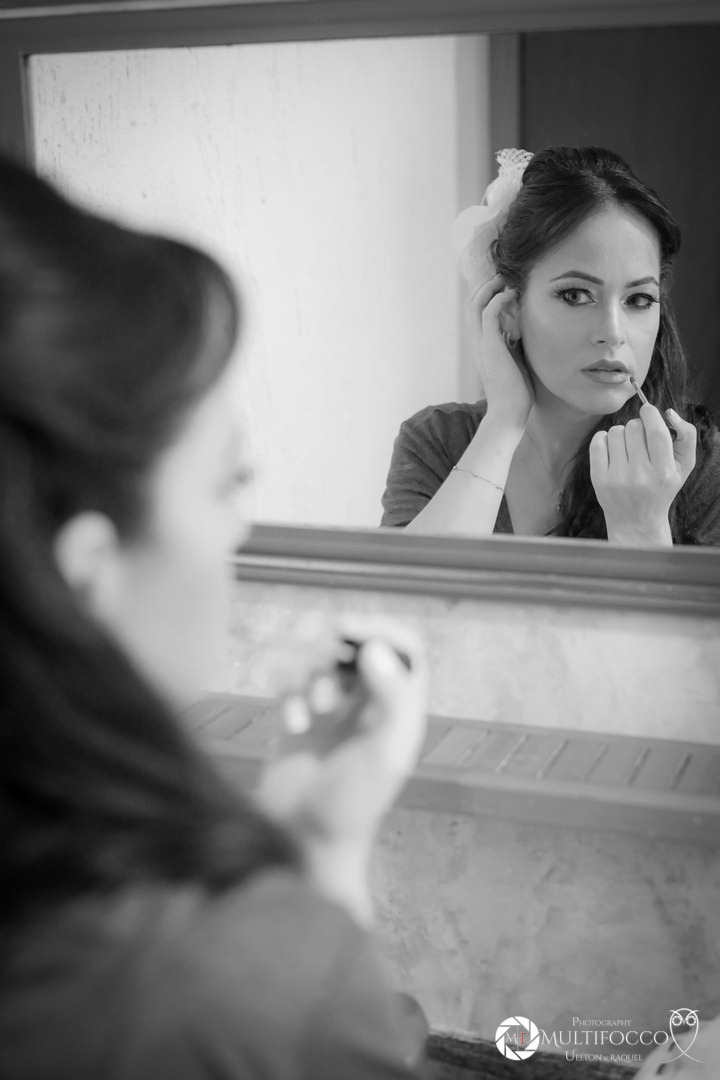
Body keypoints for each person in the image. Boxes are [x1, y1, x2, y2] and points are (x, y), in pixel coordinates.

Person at [0, 151, 429, 1079]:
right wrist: (319, 902)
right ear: (85, 569)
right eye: (228, 479)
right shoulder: (234, 987)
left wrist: (316, 844)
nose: (239, 524)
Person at [381, 146, 720, 545]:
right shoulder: (437, 442)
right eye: (576, 295)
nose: (613, 332)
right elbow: (411, 603)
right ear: (508, 308)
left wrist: (641, 526)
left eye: (639, 300)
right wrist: (504, 421)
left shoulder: (693, 464)